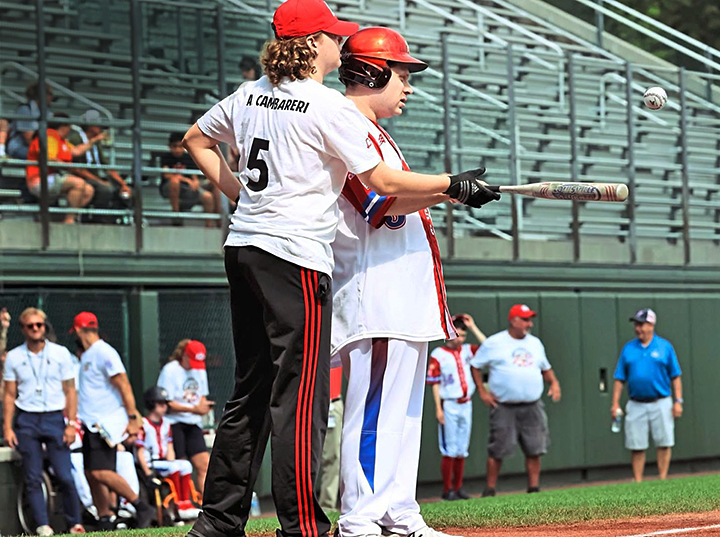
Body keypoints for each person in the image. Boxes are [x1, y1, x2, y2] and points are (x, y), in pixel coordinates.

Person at [180, 1, 497, 536]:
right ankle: (304, 526)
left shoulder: (249, 93)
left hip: (245, 247)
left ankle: (218, 521)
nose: (340, 46)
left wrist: (242, 195)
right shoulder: (326, 106)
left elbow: (195, 139)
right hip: (294, 253)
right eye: (334, 36)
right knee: (300, 400)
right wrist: (449, 183)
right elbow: (383, 185)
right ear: (314, 43)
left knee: (251, 390)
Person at [332, 27, 489, 537]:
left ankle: (399, 513)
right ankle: (360, 519)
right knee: (374, 409)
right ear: (371, 72)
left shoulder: (376, 130)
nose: (408, 85)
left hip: (401, 294)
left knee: (403, 415)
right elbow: (377, 204)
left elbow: (395, 199)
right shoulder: (345, 123)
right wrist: (450, 187)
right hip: (375, 292)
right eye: (401, 74)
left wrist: (450, 193)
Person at [2, 307, 85, 536]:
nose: (36, 329)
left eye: (39, 325)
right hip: (27, 418)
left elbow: (70, 392)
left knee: (65, 475)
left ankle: (74, 522)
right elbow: (9, 394)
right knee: (32, 476)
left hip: (54, 417)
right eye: (31, 326)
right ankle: (42, 525)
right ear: (23, 329)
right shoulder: (15, 357)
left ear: (45, 326)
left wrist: (71, 423)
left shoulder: (60, 354)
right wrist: (7, 427)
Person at [71, 311, 156, 529]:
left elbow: (123, 383)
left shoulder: (103, 352)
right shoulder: (88, 354)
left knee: (101, 471)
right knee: (91, 473)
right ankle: (105, 517)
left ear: (79, 330)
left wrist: (132, 416)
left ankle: (140, 505)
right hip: (90, 423)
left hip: (105, 423)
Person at [470, 304, 561, 497]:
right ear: (514, 321)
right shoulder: (495, 343)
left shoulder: (535, 343)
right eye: (525, 319)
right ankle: (490, 490)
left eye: (530, 319)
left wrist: (554, 383)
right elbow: (475, 366)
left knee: (535, 448)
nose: (529, 324)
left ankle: (534, 489)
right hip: (504, 406)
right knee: (498, 449)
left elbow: (545, 368)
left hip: (532, 405)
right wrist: (482, 391)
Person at [611, 308, 683, 483]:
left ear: (651, 325)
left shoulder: (664, 347)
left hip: (661, 401)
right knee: (636, 444)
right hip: (636, 402)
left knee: (664, 442)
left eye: (641, 324)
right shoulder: (628, 349)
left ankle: (663, 478)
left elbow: (675, 376)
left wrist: (678, 401)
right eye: (636, 324)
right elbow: (619, 378)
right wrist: (615, 404)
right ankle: (638, 481)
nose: (638, 328)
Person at [426, 314, 486, 501]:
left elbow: (490, 348)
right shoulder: (438, 354)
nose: (460, 339)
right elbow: (434, 382)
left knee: (462, 448)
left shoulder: (468, 350)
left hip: (466, 403)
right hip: (449, 404)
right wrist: (438, 408)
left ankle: (458, 487)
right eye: (457, 334)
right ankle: (447, 490)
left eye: (463, 335)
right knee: (450, 449)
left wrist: (473, 326)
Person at [136, 386, 201, 520]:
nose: (164, 407)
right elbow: (140, 451)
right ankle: (177, 504)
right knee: (175, 467)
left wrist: (172, 461)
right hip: (151, 463)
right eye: (160, 403)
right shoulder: (143, 423)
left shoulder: (167, 423)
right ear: (152, 404)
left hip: (164, 462)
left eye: (165, 404)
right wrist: (148, 474)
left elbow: (170, 447)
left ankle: (185, 503)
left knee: (185, 465)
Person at [156, 339, 212, 496]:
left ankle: (206, 505)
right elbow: (167, 402)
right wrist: (194, 409)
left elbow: (202, 395)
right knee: (181, 465)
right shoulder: (170, 370)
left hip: (193, 423)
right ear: (184, 356)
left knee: (204, 464)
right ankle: (183, 504)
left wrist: (202, 407)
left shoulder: (199, 370)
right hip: (174, 423)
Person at [25, 115, 95, 223]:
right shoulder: (49, 135)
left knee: (88, 190)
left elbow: (76, 150)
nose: (70, 130)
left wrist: (95, 140)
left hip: (54, 177)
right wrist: (69, 167)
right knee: (78, 183)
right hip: (39, 179)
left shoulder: (61, 141)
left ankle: (62, 218)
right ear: (64, 127)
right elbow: (50, 158)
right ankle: (69, 220)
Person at [66, 109, 132, 216]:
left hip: (94, 176)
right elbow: (75, 168)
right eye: (99, 126)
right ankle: (97, 217)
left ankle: (121, 217)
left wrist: (123, 184)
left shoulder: (96, 144)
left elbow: (105, 166)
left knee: (128, 189)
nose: (101, 129)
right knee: (105, 189)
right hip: (81, 177)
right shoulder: (76, 139)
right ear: (91, 126)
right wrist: (98, 180)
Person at [159, 132, 219, 226]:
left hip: (188, 187)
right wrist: (185, 180)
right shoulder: (166, 157)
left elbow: (193, 175)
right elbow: (167, 175)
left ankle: (210, 224)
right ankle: (176, 215)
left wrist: (195, 182)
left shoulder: (189, 158)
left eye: (180, 146)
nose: (177, 149)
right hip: (170, 187)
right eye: (175, 146)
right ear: (170, 147)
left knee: (208, 197)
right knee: (174, 181)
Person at [316, 366, 342, 512]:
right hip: (310, 401)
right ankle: (301, 507)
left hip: (333, 402)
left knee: (333, 457)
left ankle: (327, 506)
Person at [7, 81, 53, 160]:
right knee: (45, 158)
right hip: (19, 147)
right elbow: (28, 138)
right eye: (50, 93)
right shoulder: (25, 109)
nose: (52, 97)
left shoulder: (47, 112)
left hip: (38, 147)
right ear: (41, 94)